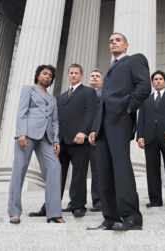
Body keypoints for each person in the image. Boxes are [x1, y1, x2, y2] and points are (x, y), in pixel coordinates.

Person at [87, 33, 151, 231]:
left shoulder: (135, 59)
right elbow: (103, 100)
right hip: (103, 125)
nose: (113, 42)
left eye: (117, 40)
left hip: (120, 118)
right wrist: (94, 128)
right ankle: (110, 218)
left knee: (121, 166)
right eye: (111, 40)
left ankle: (132, 217)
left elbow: (144, 86)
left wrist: (128, 107)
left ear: (126, 45)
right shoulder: (110, 70)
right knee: (104, 171)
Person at [29, 64, 97, 218]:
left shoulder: (89, 92)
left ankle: (78, 205)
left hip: (79, 140)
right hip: (61, 142)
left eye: (76, 73)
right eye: (71, 73)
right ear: (68, 75)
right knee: (55, 174)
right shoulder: (60, 97)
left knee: (79, 174)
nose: (73, 75)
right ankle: (49, 207)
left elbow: (90, 113)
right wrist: (54, 139)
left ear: (81, 75)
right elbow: (55, 120)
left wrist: (83, 132)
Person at [8, 65, 64, 224]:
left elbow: (54, 121)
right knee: (19, 170)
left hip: (46, 138)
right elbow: (22, 112)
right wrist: (21, 134)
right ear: (38, 75)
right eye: (44, 74)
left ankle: (54, 213)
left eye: (50, 76)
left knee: (55, 167)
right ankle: (14, 212)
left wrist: (55, 140)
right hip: (28, 134)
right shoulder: (29, 90)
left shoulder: (53, 99)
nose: (47, 77)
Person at [137, 70, 165, 210]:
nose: (157, 81)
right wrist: (140, 136)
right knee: (152, 170)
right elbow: (141, 119)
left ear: (164, 81)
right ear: (152, 82)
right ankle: (155, 200)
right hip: (150, 138)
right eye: (155, 79)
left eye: (160, 79)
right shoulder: (146, 101)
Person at [88, 69, 103, 212]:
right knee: (78, 172)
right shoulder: (83, 93)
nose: (94, 78)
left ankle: (98, 201)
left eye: (97, 76)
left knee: (97, 170)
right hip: (79, 136)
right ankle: (76, 202)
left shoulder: (103, 94)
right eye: (92, 76)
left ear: (102, 81)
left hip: (95, 136)